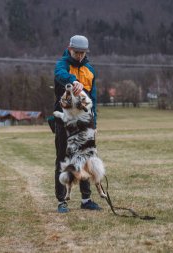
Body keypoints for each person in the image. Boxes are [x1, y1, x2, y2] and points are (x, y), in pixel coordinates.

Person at [53, 35, 101, 213]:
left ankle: (86, 199)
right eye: (76, 52)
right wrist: (73, 81)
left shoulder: (90, 70)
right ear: (69, 48)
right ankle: (62, 201)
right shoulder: (63, 65)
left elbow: (93, 99)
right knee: (63, 159)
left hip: (85, 124)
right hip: (64, 122)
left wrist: (94, 123)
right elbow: (59, 75)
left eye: (82, 53)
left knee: (86, 157)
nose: (79, 56)